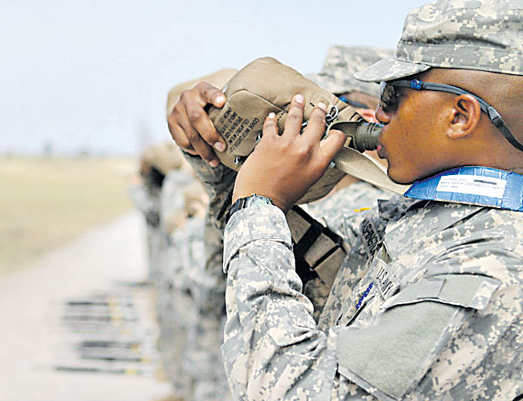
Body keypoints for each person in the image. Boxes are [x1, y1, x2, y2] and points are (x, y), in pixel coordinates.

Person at [167, 0, 523, 399]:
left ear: (460, 117)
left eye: (393, 96)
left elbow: (287, 388)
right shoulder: (431, 221)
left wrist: (259, 203)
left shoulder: (491, 272)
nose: (377, 116)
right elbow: (303, 269)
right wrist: (218, 160)